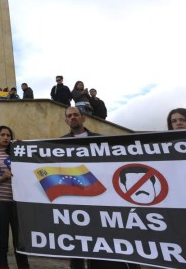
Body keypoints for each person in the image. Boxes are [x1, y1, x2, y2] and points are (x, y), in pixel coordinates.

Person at [61, 108, 140, 269]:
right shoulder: (59, 143)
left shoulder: (101, 140)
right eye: (69, 116)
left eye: (76, 115)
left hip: (99, 198)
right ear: (66, 121)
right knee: (76, 244)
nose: (73, 118)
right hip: (74, 199)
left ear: (83, 118)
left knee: (98, 242)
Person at [0, 125, 29, 269]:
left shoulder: (18, 154)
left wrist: (25, 149)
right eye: (2, 135)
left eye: (8, 135)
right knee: (2, 242)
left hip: (17, 204)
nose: (6, 137)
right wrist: (2, 178)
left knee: (20, 242)